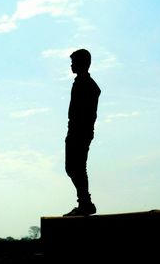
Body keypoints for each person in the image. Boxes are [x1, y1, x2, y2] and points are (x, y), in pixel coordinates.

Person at [63, 49, 101, 216]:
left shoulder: (87, 84)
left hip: (80, 131)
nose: (71, 65)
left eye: (74, 62)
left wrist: (82, 128)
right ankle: (84, 202)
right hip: (77, 130)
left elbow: (87, 111)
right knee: (73, 167)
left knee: (76, 167)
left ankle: (85, 202)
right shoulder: (81, 82)